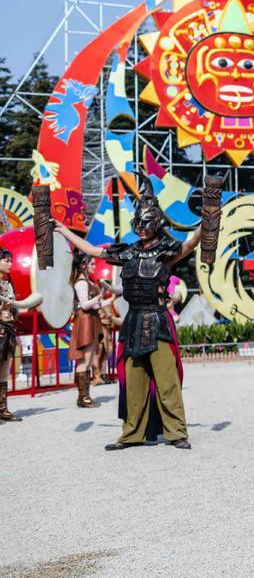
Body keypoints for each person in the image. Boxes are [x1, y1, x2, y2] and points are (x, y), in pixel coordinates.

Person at [54, 176, 204, 450]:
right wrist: (64, 230)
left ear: (156, 222)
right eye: (138, 222)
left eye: (146, 222)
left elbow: (191, 244)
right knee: (132, 384)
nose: (140, 227)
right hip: (133, 322)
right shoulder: (128, 253)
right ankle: (132, 434)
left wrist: (209, 219)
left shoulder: (166, 252)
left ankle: (176, 432)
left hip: (158, 321)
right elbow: (91, 250)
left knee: (167, 381)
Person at [0, 248, 42, 422]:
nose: (10, 264)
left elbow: (15, 308)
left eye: (11, 260)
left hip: (8, 328)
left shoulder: (8, 284)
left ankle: (2, 408)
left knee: (4, 370)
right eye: (6, 260)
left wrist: (22, 307)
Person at [69, 252, 114, 408]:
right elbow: (85, 305)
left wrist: (111, 299)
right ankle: (83, 397)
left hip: (90, 319)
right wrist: (101, 295)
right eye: (92, 264)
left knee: (87, 359)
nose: (94, 266)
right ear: (83, 265)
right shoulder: (81, 282)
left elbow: (95, 305)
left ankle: (84, 396)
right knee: (85, 359)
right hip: (85, 320)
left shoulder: (87, 281)